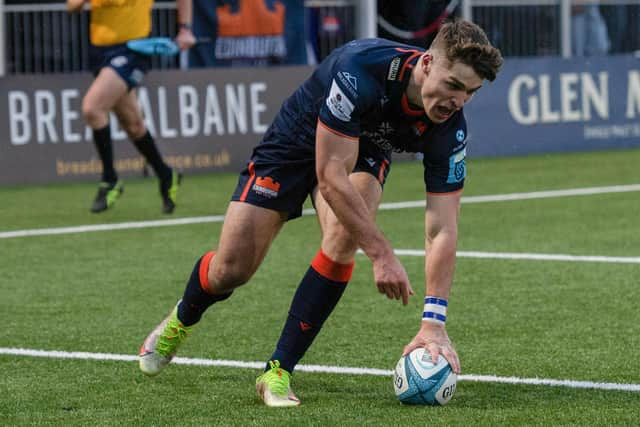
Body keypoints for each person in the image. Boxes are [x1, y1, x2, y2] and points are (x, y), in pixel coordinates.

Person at [138, 19, 502, 406]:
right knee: (232, 269)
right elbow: (330, 177)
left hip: (363, 147)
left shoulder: (450, 128)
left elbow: (443, 227)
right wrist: (382, 253)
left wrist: (434, 323)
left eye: (470, 93)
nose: (457, 101)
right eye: (453, 85)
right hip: (297, 139)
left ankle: (277, 371)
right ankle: (182, 317)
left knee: (345, 236)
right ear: (427, 64)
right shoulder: (361, 70)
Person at [66, 0, 196, 214]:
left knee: (93, 108)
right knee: (133, 125)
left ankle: (110, 178)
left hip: (133, 50)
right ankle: (166, 174)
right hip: (99, 51)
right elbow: (72, 6)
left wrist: (185, 29)